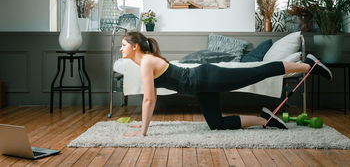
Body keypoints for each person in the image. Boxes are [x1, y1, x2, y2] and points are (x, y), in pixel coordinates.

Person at [120, 32, 332, 136]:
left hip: (206, 78)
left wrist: (143, 132)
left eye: (123, 45)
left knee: (256, 73)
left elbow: (148, 99)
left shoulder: (146, 61)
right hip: (201, 87)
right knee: (216, 124)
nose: (121, 49)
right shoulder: (146, 62)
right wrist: (144, 124)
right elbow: (152, 98)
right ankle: (265, 119)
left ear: (135, 46)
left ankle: (307, 65)